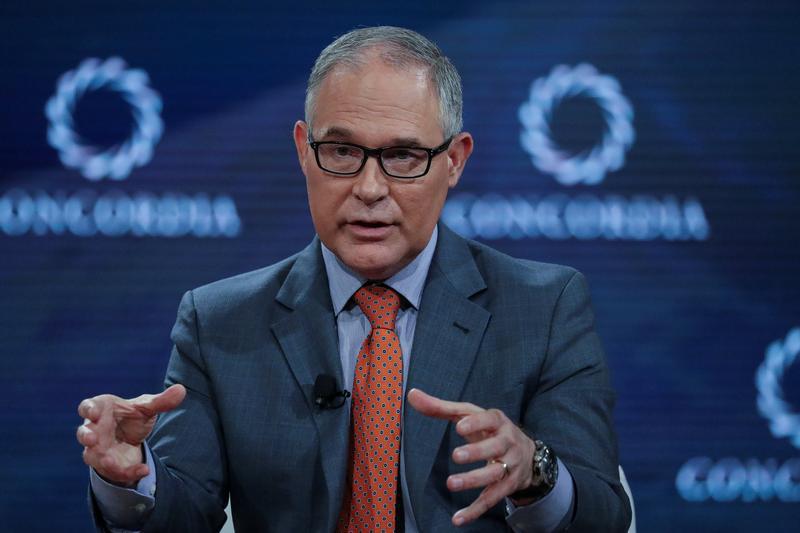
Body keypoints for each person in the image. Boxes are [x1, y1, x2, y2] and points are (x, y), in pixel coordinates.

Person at [76, 26, 631, 532]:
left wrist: (536, 471)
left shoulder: (545, 308)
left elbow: (604, 517)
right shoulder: (218, 322)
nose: (369, 188)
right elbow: (185, 514)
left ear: (455, 160)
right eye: (342, 151)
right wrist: (133, 479)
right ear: (303, 151)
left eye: (404, 155)